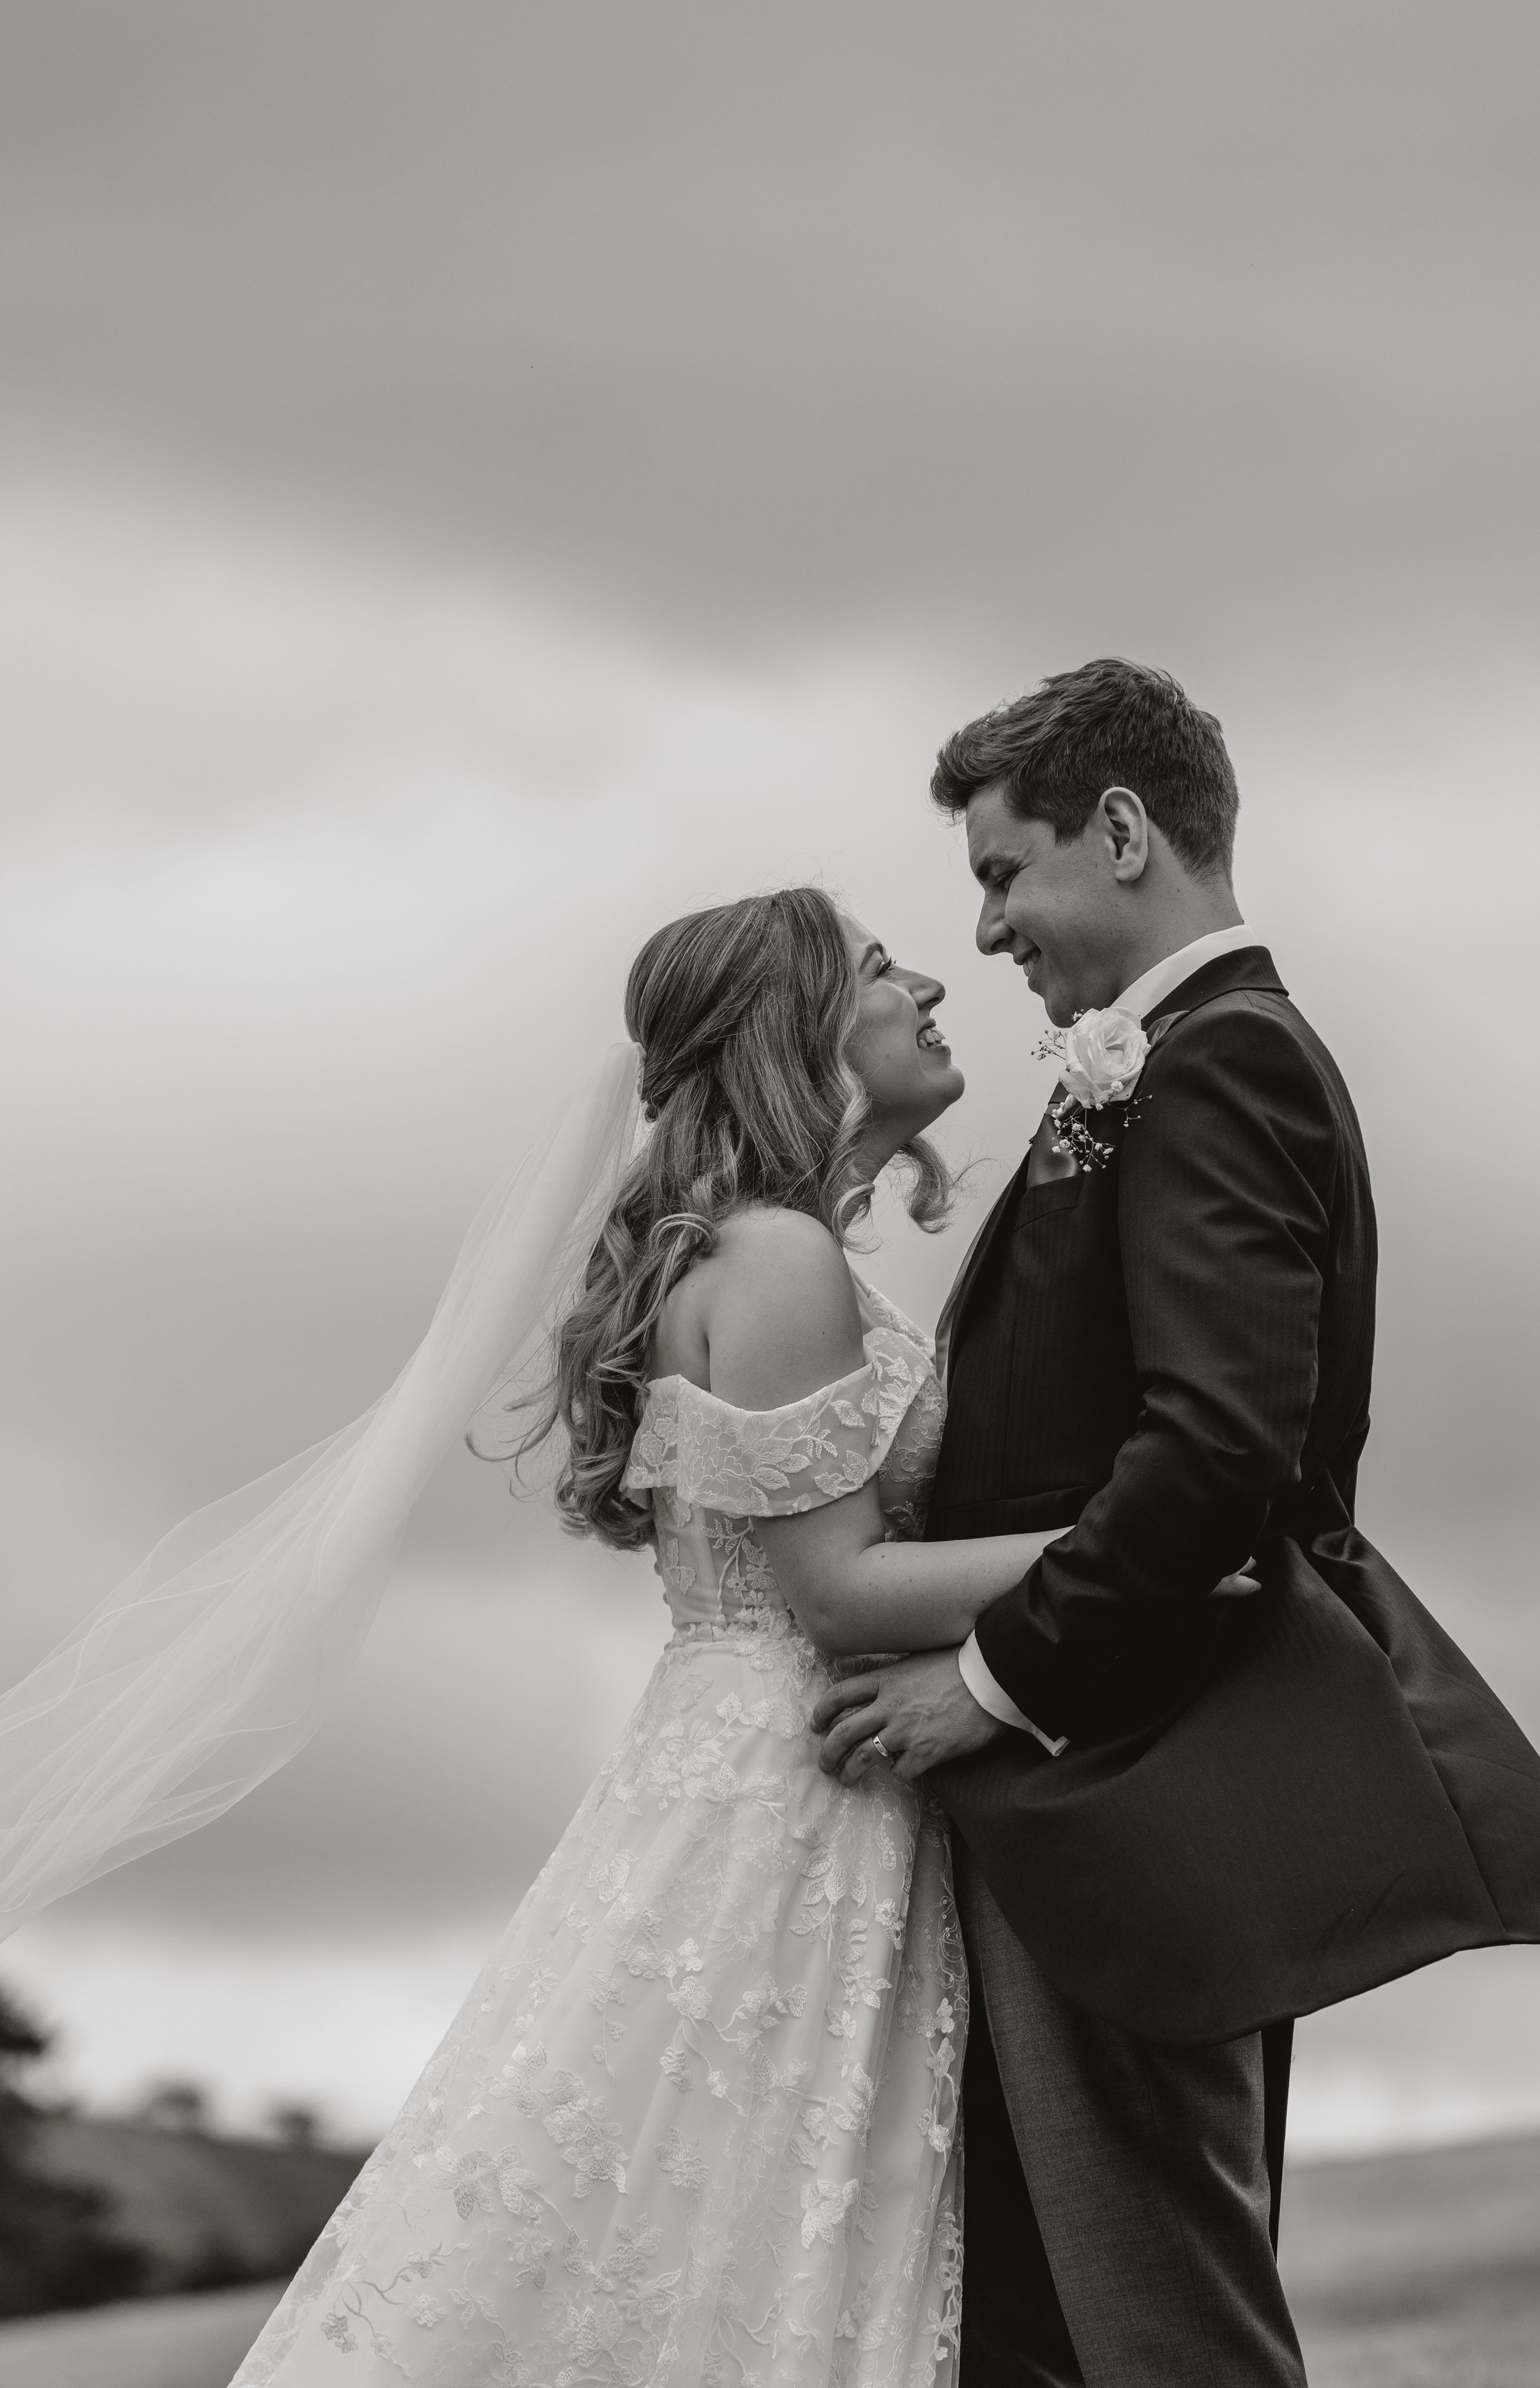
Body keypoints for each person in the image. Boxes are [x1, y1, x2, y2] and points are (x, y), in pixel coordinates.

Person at [814, 658, 1540, 2388]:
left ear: (1119, 831)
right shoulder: (1167, 1060)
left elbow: (1215, 1454)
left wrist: (992, 1679)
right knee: (1038, 2332)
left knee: (1159, 2330)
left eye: (998, 871)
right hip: (1095, 1785)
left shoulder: (1217, 1062)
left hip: (1127, 1773)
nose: (980, 934)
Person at [224, 886, 1072, 2384]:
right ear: (798, 1029)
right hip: (797, 1788)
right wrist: (1127, 1552)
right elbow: (836, 1593)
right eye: (881, 968)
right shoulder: (776, 1257)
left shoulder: (754, 1251)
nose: (931, 981)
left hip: (731, 1766)